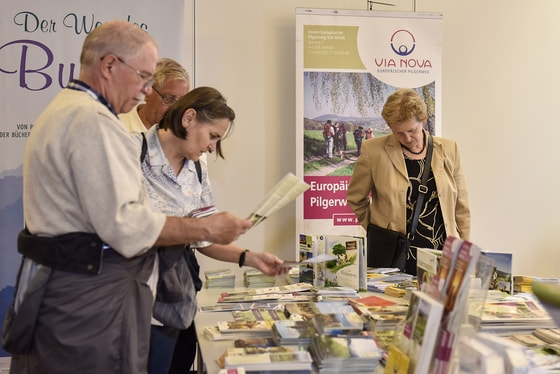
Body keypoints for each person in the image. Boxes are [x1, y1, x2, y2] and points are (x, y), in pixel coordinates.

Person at [6, 20, 253, 374]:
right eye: (143, 78)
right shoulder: (93, 122)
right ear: (108, 66)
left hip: (67, 295)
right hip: (86, 304)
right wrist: (205, 229)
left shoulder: (66, 109)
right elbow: (127, 226)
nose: (145, 92)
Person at [136, 86, 286, 374]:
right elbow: (124, 227)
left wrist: (251, 258)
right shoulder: (131, 152)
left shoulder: (198, 169)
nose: (212, 147)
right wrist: (203, 227)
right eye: (213, 136)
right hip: (132, 299)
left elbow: (202, 240)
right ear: (188, 118)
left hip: (176, 299)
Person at [346, 88, 470, 275]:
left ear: (423, 120)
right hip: (392, 255)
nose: (407, 138)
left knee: (441, 304)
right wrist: (379, 229)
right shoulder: (373, 151)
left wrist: (466, 248)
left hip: (442, 253)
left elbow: (461, 204)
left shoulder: (448, 149)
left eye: (412, 130)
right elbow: (356, 199)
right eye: (399, 133)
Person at [120, 57, 190, 133]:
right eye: (168, 99)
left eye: (181, 102)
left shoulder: (183, 133)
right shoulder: (119, 125)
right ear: (147, 93)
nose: (175, 109)